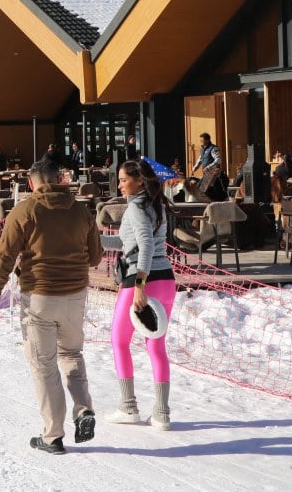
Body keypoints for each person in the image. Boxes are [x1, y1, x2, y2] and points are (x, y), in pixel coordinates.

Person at [0, 159, 101, 454]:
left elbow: (4, 257)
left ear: (31, 183)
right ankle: (83, 409)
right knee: (71, 354)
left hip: (39, 297)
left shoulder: (25, 211)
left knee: (44, 365)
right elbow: (95, 257)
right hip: (75, 295)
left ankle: (52, 435)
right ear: (59, 179)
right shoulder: (81, 210)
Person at [100, 158, 176, 430]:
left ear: (139, 181)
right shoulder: (156, 206)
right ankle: (162, 413)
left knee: (119, 341)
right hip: (166, 279)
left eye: (123, 179)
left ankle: (128, 406)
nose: (119, 184)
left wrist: (140, 287)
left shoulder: (135, 209)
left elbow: (143, 247)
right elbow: (127, 242)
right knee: (156, 346)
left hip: (140, 281)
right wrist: (96, 241)